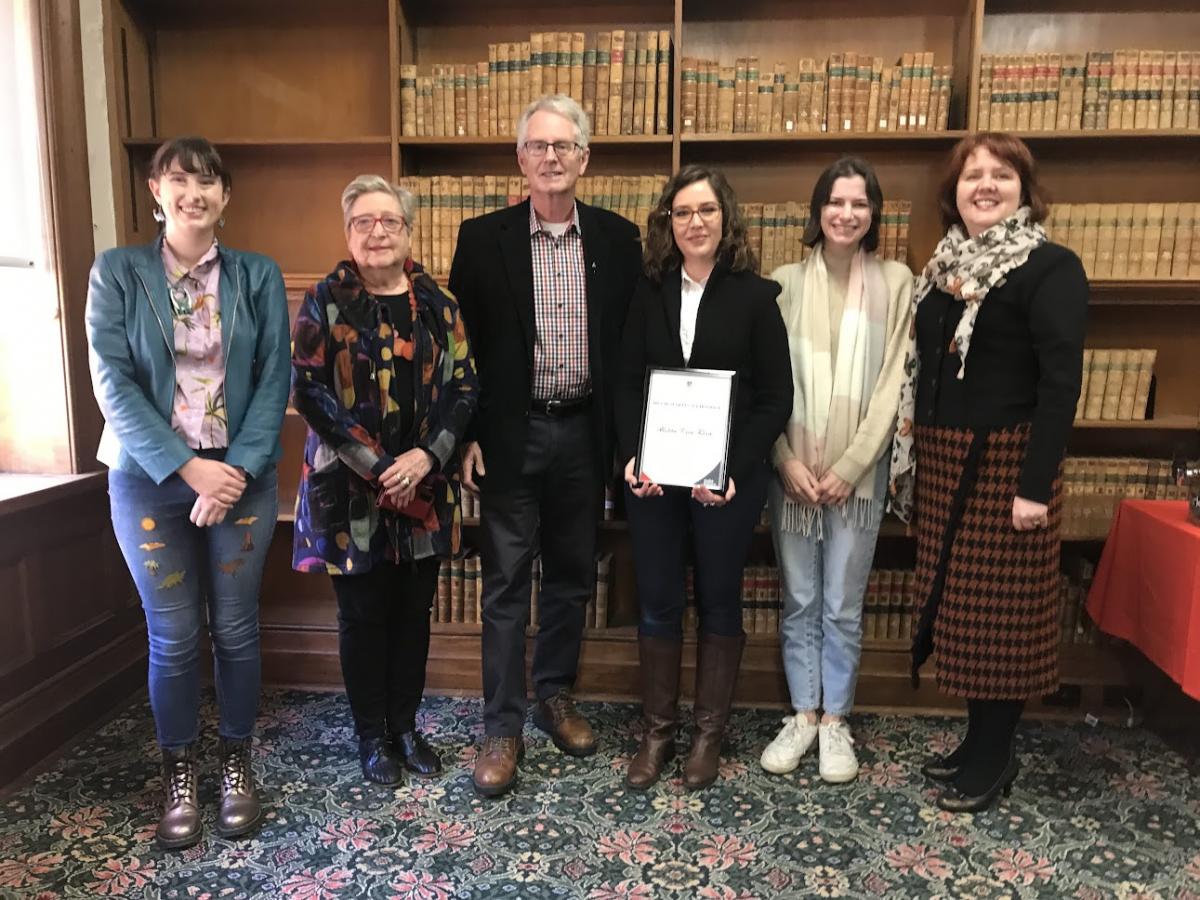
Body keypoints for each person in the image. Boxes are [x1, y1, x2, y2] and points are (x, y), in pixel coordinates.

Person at [85, 137, 290, 849]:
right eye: (179, 180)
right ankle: (179, 769)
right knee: (172, 637)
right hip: (147, 481)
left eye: (207, 182)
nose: (193, 193)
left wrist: (231, 471)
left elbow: (273, 380)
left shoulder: (257, 276)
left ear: (226, 197)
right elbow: (112, 383)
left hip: (241, 479)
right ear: (155, 190)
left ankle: (236, 762)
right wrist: (185, 468)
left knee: (235, 628)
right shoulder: (117, 272)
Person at [448, 95, 643, 798]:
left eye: (565, 146)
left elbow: (628, 352)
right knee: (502, 584)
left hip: (585, 433)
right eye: (539, 145)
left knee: (569, 576)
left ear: (584, 159)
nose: (552, 157)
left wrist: (627, 446)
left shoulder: (619, 242)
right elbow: (460, 352)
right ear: (521, 158)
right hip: (510, 435)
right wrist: (464, 436)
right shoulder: (481, 238)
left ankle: (554, 695)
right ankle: (500, 725)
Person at [890, 133, 1087, 812]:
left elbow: (1061, 384)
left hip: (1009, 464)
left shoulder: (1048, 267)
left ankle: (996, 755)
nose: (985, 185)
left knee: (1003, 619)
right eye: (972, 175)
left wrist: (1035, 486)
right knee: (963, 615)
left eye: (1001, 175)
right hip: (947, 461)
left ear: (1023, 190)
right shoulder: (944, 267)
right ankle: (976, 741)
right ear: (953, 193)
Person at [291, 175, 478, 786]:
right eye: (363, 222)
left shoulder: (440, 304)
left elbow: (464, 388)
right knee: (363, 616)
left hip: (424, 489)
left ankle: (405, 725)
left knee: (413, 613)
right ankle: (371, 736)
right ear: (348, 232)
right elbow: (310, 392)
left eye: (388, 221)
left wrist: (426, 458)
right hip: (351, 494)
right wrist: (378, 468)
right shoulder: (324, 300)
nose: (377, 232)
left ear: (408, 230)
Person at [616, 164, 793, 791]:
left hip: (725, 485)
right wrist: (631, 456)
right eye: (683, 212)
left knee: (720, 599)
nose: (695, 222)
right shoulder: (648, 290)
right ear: (669, 222)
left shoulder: (756, 295)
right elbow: (626, 383)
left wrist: (736, 470)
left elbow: (775, 398)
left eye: (707, 211)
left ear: (726, 219)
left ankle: (707, 735)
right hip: (655, 483)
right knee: (659, 601)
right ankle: (657, 733)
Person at [758, 157, 914, 784]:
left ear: (873, 214)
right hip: (790, 474)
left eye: (860, 203)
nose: (846, 213)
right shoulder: (783, 282)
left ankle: (836, 722)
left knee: (843, 605)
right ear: (817, 210)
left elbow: (894, 385)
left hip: (860, 478)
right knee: (798, 600)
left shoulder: (897, 282)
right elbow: (767, 383)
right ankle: (801, 714)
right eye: (836, 201)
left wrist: (852, 465)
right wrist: (785, 459)